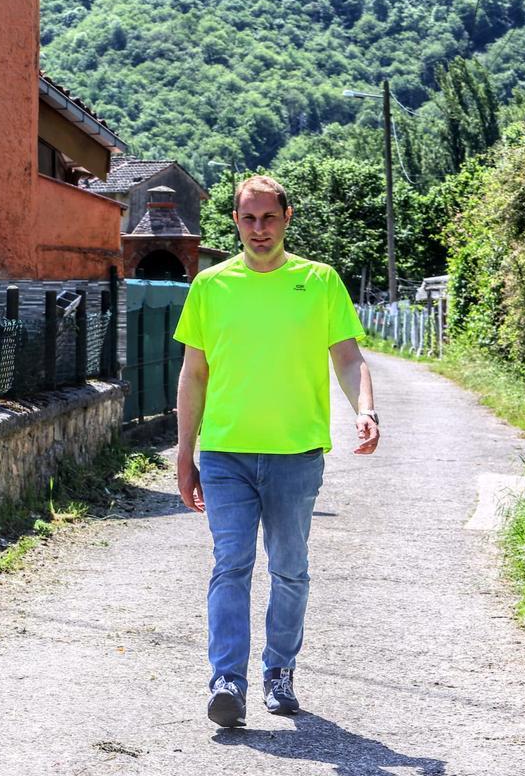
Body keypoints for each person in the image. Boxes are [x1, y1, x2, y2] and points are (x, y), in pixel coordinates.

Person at [172, 174, 379, 728]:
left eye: (268, 218)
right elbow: (194, 375)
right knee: (231, 563)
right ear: (235, 222)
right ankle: (227, 682)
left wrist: (365, 408)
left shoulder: (319, 282)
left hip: (295, 452)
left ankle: (279, 671)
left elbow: (349, 358)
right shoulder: (211, 286)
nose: (258, 229)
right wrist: (184, 452)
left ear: (286, 218)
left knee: (289, 569)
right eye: (248, 218)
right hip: (225, 455)